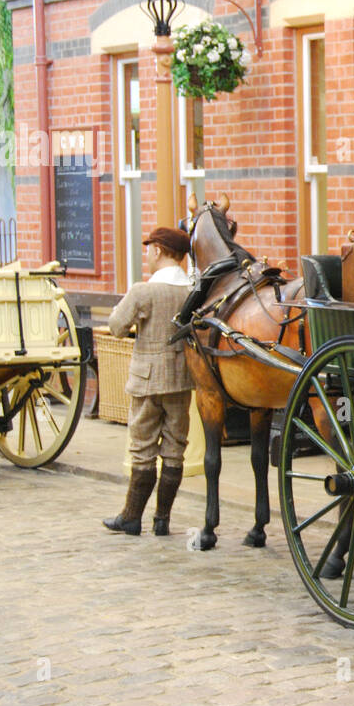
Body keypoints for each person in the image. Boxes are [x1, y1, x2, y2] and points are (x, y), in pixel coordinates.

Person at [103, 226, 196, 537]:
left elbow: (116, 326)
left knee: (142, 448)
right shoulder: (191, 291)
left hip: (146, 380)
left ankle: (131, 517)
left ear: (158, 250)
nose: (147, 254)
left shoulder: (143, 291)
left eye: (148, 249)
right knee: (174, 449)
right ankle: (162, 520)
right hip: (181, 380)